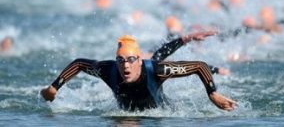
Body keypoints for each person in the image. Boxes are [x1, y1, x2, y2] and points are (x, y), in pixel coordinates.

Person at [40, 35, 236, 111]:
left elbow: (199, 66)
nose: (125, 66)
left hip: (162, 113)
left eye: (131, 60)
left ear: (139, 61)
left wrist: (212, 94)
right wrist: (54, 87)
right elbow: (80, 63)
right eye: (121, 61)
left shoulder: (157, 70)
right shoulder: (108, 70)